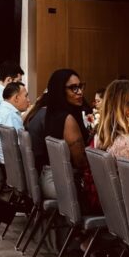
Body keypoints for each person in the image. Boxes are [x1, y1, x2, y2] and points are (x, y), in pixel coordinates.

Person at [37, 68, 93, 203]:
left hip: (50, 177)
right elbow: (81, 163)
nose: (80, 92)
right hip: (61, 184)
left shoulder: (53, 114)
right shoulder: (68, 119)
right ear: (60, 91)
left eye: (80, 86)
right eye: (73, 88)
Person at [0, 81, 30, 162]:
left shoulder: (2, 111)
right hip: (11, 167)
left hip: (3, 164)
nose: (28, 100)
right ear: (16, 98)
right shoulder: (10, 116)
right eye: (26, 96)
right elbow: (21, 147)